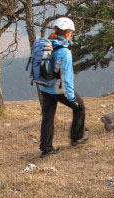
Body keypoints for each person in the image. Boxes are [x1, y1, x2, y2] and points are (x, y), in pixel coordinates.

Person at [38, 17, 88, 157]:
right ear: (66, 33)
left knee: (47, 117)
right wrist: (72, 99)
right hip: (57, 89)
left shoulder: (47, 44)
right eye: (71, 32)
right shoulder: (65, 52)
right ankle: (76, 138)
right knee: (80, 107)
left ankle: (46, 149)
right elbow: (67, 78)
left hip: (44, 87)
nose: (71, 34)